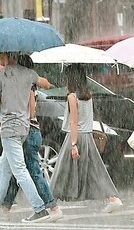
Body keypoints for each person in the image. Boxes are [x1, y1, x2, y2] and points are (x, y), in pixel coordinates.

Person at [0, 52, 54, 223]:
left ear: (5, 57)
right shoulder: (29, 73)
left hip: (9, 127)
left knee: (19, 170)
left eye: (0, 56)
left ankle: (39, 209)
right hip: (24, 127)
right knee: (4, 169)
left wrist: (4, 95)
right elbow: (45, 84)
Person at [49, 64, 121, 213]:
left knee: (61, 171)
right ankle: (112, 198)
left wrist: (73, 144)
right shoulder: (88, 95)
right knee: (95, 169)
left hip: (75, 136)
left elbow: (74, 121)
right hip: (87, 135)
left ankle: (51, 204)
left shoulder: (72, 96)